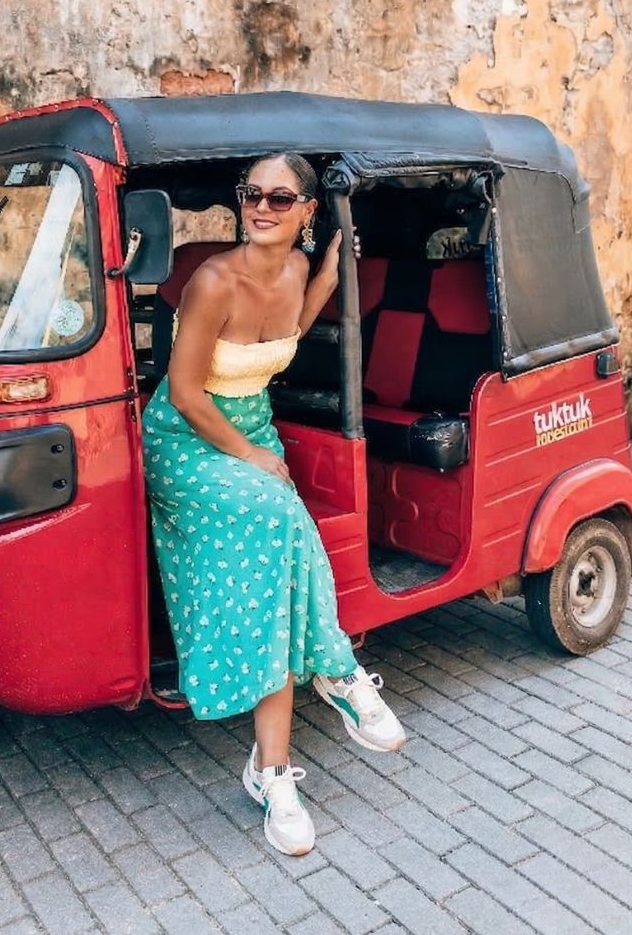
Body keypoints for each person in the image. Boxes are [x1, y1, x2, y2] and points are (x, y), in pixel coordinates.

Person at [143, 152, 406, 856]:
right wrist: (255, 458)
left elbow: (304, 315)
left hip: (250, 431)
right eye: (251, 194)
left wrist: (327, 268)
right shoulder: (212, 281)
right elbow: (189, 395)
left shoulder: (295, 274)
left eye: (280, 198)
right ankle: (339, 670)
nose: (261, 206)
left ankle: (273, 772)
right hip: (184, 440)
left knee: (270, 589)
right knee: (278, 513)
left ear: (306, 211)